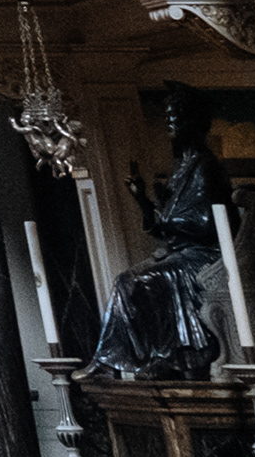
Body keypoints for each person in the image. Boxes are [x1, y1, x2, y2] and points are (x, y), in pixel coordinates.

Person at [90, 89, 225, 381]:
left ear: (194, 121)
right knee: (125, 280)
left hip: (204, 255)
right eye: (168, 118)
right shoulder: (182, 169)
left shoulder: (205, 166)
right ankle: (126, 357)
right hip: (181, 253)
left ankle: (159, 354)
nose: (170, 124)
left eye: (176, 117)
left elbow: (205, 224)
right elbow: (160, 228)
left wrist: (167, 218)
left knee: (140, 281)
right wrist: (141, 198)